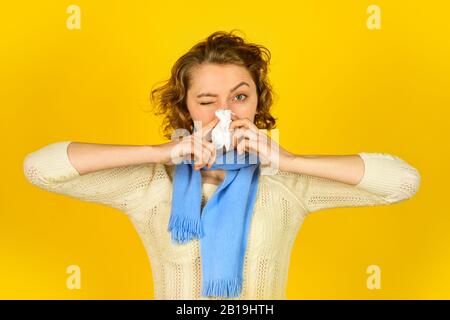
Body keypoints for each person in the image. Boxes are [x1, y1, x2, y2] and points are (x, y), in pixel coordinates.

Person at [23, 30, 421, 300]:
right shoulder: (150, 184)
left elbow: (403, 182)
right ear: (185, 109)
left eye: (240, 96)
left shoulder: (287, 182)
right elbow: (41, 167)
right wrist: (158, 152)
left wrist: (291, 160)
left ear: (258, 102)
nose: (225, 113)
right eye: (208, 101)